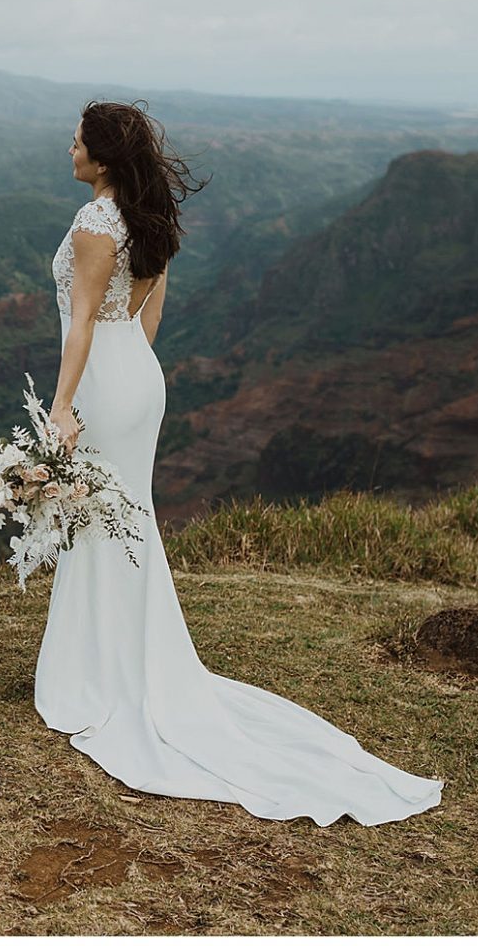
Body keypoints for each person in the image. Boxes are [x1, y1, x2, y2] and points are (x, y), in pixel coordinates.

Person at [34, 99, 444, 827]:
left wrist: (63, 408)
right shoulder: (144, 220)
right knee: (121, 520)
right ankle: (114, 664)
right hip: (136, 375)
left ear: (102, 157)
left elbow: (82, 328)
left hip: (100, 379)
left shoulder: (95, 224)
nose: (68, 151)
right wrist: (131, 373)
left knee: (103, 521)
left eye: (76, 143)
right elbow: (144, 315)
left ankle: (96, 673)